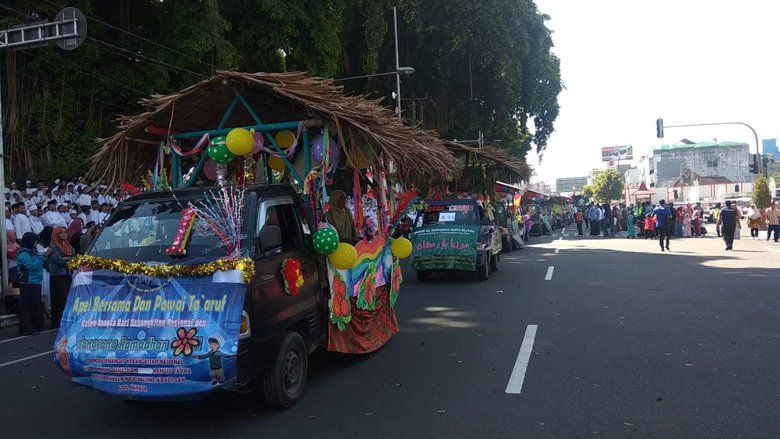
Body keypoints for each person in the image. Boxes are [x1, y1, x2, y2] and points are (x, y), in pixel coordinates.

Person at [16, 233, 46, 335]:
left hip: (36, 281)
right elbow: (31, 266)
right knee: (28, 306)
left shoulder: (33, 252)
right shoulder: (23, 254)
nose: (36, 243)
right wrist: (42, 258)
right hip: (27, 282)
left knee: (35, 305)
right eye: (34, 241)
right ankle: (27, 328)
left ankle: (36, 326)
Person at [46, 227, 73, 328]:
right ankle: (58, 322)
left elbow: (74, 258)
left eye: (65, 232)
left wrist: (67, 259)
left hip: (67, 274)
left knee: (67, 298)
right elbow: (59, 261)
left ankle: (66, 320)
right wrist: (67, 260)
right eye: (61, 233)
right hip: (57, 276)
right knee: (59, 299)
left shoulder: (69, 246)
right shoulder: (53, 247)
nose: (64, 235)